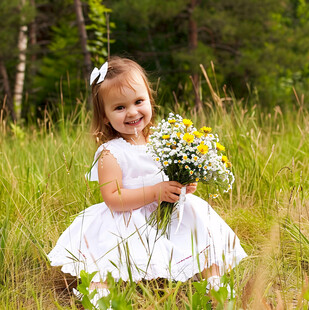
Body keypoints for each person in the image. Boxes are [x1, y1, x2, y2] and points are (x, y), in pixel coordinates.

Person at [48, 56, 247, 302]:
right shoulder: (111, 153)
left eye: (138, 101)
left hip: (163, 211)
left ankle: (212, 282)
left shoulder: (161, 143)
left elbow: (166, 178)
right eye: (119, 108)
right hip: (128, 215)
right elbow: (113, 198)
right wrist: (155, 192)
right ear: (105, 116)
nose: (132, 112)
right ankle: (99, 292)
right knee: (106, 247)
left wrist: (182, 186)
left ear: (150, 101)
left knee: (199, 218)